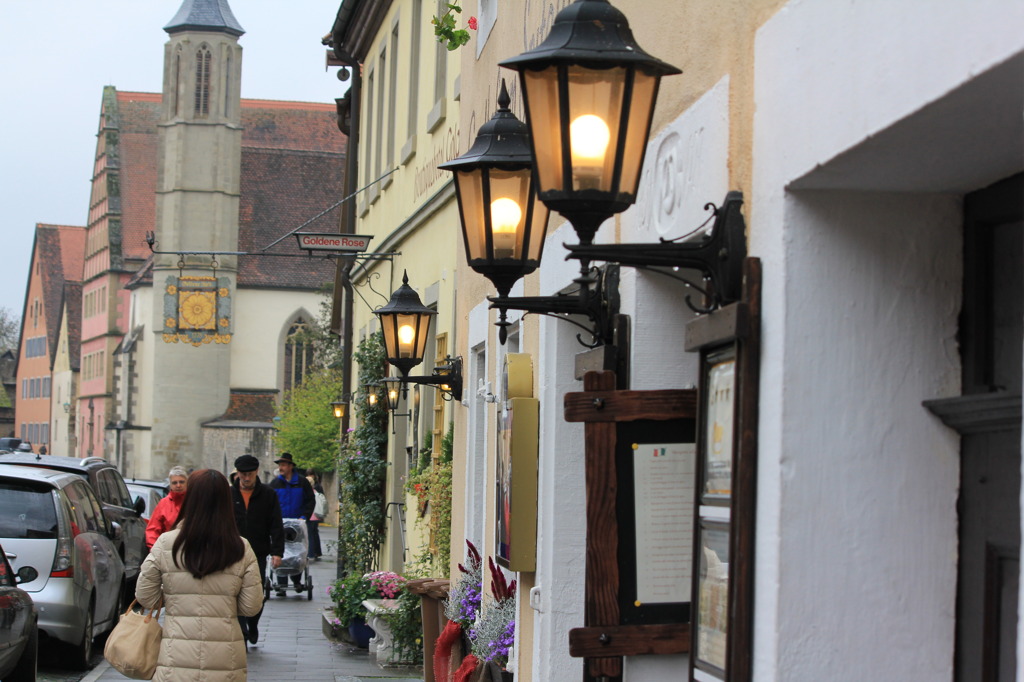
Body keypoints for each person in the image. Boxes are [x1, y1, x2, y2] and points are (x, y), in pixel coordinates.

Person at [135, 469, 263, 681]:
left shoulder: (167, 543)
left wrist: (176, 598)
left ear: (190, 498)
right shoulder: (241, 548)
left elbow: (145, 596)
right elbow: (251, 606)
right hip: (225, 659)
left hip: (174, 657)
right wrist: (225, 604)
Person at [231, 455, 284, 645]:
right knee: (235, 592)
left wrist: (277, 552)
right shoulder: (229, 495)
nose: (246, 478)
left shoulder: (268, 495)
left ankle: (253, 624)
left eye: (250, 474)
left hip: (258, 552)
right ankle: (243, 630)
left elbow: (276, 524)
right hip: (232, 553)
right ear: (237, 474)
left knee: (256, 592)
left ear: (257, 473)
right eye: (243, 474)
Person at [269, 453, 314, 594]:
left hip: (297, 524)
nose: (280, 468)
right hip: (279, 524)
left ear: (290, 466)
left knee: (297, 553)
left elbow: (310, 500)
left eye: (283, 465)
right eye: (279, 465)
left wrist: (304, 517)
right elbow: (269, 503)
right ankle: (281, 584)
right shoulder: (275, 483)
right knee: (279, 552)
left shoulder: (301, 482)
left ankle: (296, 581)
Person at [145, 466, 188, 548]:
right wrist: (155, 549)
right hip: (168, 550)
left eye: (181, 482)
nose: (178, 485)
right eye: (174, 483)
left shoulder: (193, 501)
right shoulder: (164, 504)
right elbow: (153, 530)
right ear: (170, 484)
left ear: (187, 483)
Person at [306, 469, 327, 560]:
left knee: (310, 535)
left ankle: (310, 553)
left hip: (310, 515)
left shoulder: (307, 492)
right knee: (314, 534)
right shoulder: (317, 489)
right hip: (316, 515)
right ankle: (316, 552)